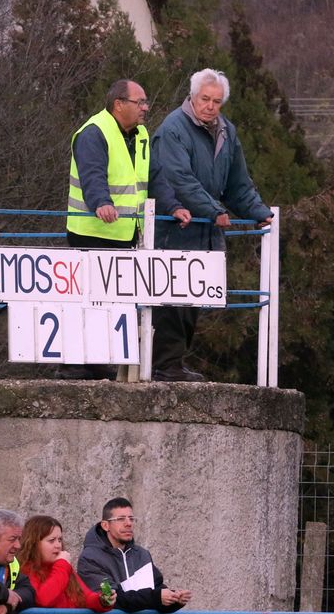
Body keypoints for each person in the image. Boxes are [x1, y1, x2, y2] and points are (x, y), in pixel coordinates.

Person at [149, 67, 272, 382]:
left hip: (204, 231)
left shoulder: (226, 132)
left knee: (191, 301)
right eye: (205, 99)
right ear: (192, 96)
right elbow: (179, 179)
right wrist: (213, 209)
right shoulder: (173, 128)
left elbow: (238, 183)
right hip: (174, 228)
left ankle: (173, 363)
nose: (210, 106)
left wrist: (258, 211)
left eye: (217, 101)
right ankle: (164, 365)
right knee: (170, 300)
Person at [61, 79, 154, 381]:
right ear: (118, 105)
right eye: (139, 102)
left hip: (124, 234)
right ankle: (74, 363)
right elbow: (92, 174)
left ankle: (99, 360)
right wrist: (101, 201)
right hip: (90, 232)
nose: (145, 108)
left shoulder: (140, 135)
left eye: (145, 102)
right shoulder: (94, 132)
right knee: (87, 300)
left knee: (112, 303)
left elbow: (151, 179)